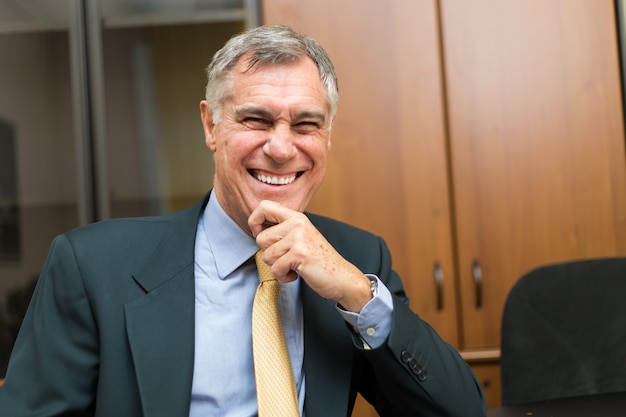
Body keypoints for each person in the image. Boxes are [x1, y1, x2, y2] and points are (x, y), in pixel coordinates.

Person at [0, 25, 485, 416]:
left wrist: (356, 294)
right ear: (211, 126)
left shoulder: (357, 260)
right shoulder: (91, 266)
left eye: (305, 124)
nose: (280, 147)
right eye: (256, 120)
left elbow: (459, 411)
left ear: (328, 135)